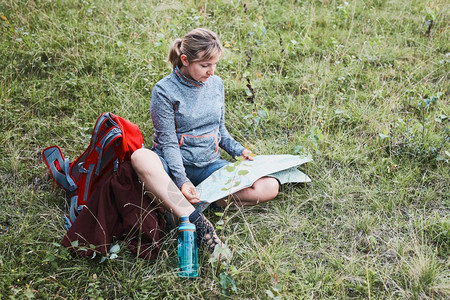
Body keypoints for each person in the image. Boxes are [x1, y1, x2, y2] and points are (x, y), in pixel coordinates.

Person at [131, 28, 279, 255]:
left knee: (270, 186)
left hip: (209, 166)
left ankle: (182, 205)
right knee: (140, 157)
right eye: (204, 65)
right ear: (185, 60)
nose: (211, 72)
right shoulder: (164, 90)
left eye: (215, 64)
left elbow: (219, 130)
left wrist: (239, 151)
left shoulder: (216, 84)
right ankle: (198, 220)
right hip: (172, 167)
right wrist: (181, 180)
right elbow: (168, 143)